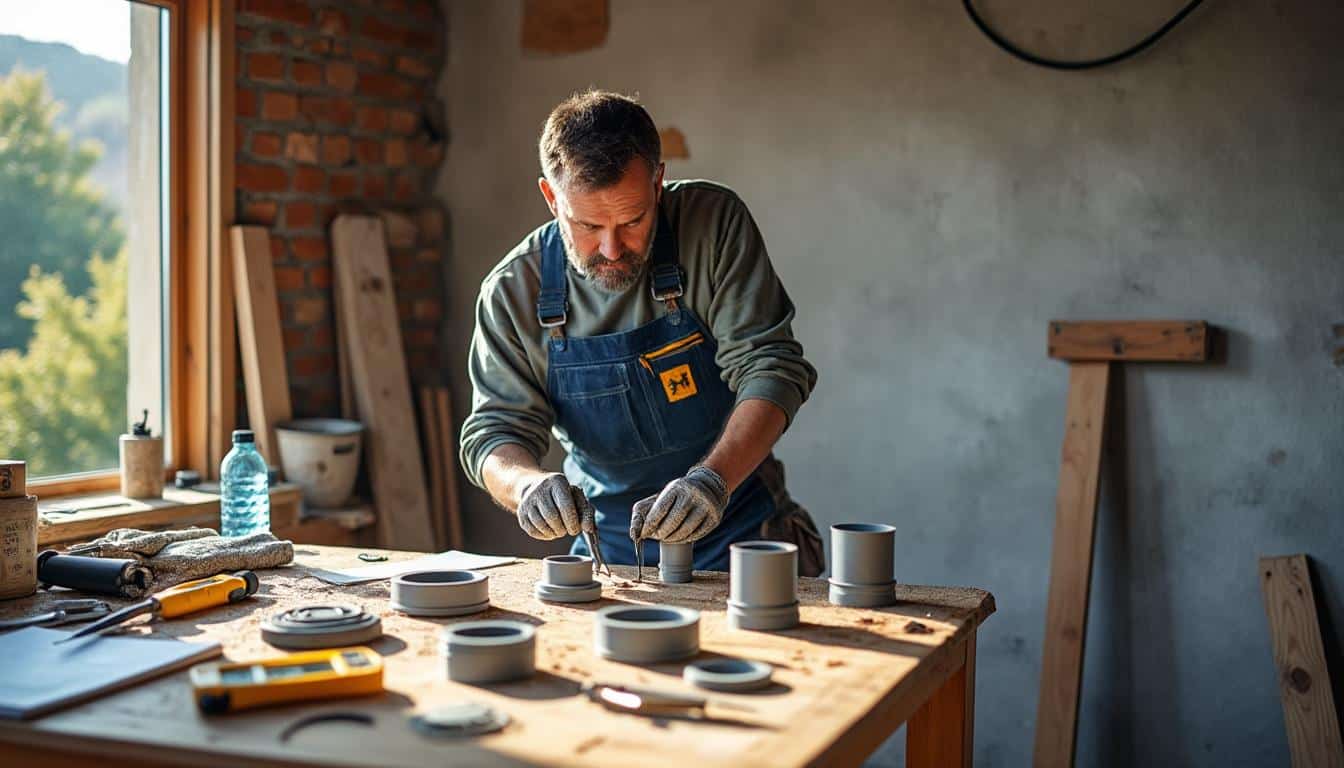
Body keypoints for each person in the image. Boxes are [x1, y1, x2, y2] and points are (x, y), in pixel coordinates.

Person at [459, 89, 823, 575]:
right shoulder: (512, 290)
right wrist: (526, 485)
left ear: (658, 185)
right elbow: (493, 432)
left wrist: (712, 481)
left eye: (632, 221)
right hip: (607, 552)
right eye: (588, 225)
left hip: (740, 532)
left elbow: (770, 367)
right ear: (551, 197)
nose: (611, 249)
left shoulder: (712, 224)